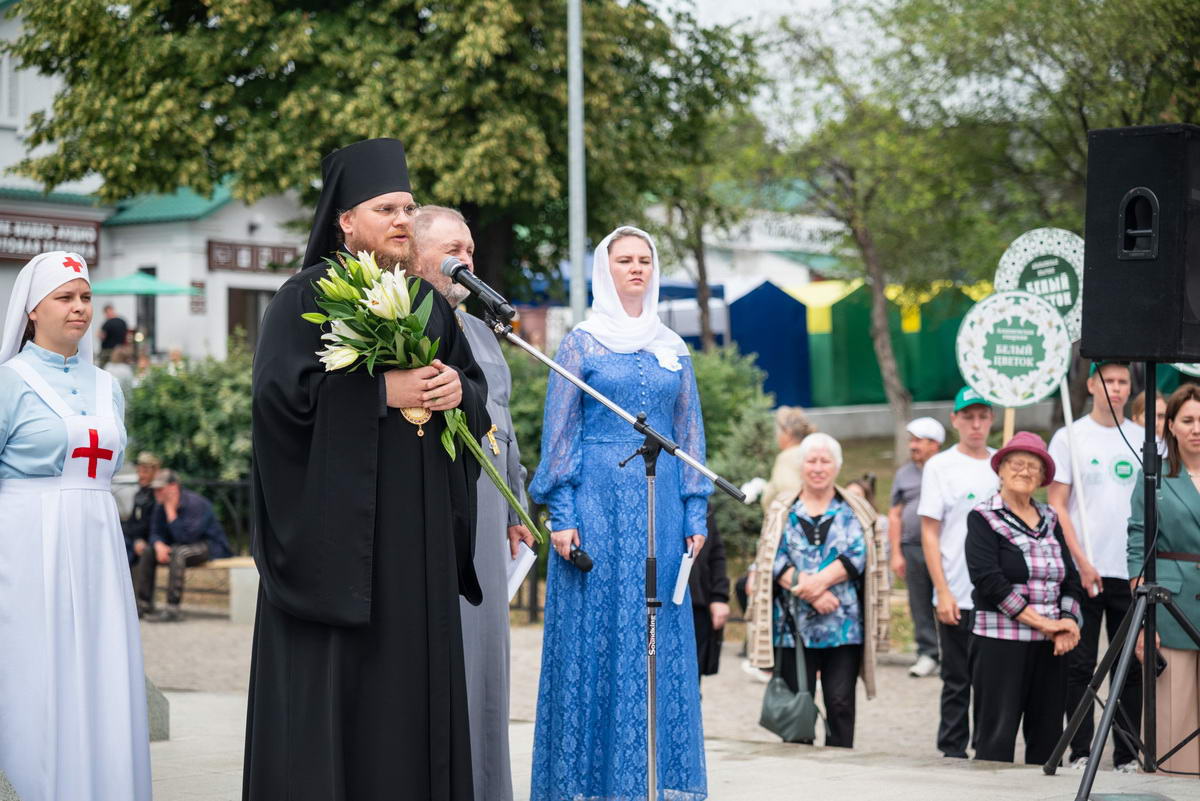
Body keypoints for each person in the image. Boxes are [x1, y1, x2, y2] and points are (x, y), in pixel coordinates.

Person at [243, 138, 490, 801]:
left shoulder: (428, 303)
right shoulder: (303, 299)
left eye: (408, 208)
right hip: (341, 554)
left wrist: (457, 392)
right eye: (387, 209)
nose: (403, 220)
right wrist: (380, 392)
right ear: (346, 220)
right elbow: (278, 407)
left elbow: (471, 388)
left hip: (418, 548)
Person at [529, 225, 709, 800]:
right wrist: (562, 512)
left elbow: (690, 434)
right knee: (598, 637)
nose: (636, 268)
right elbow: (560, 434)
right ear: (603, 270)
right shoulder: (580, 343)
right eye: (624, 259)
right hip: (596, 507)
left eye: (644, 260)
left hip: (662, 505)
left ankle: (653, 783)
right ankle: (588, 785)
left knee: (658, 635)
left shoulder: (672, 346)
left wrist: (696, 511)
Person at [0, 252, 151, 800]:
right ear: (32, 310)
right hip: (25, 546)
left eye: (85, 297)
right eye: (64, 297)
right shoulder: (8, 383)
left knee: (102, 665)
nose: (79, 308)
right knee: (37, 668)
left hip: (97, 543)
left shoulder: (107, 386)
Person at [413, 205, 535, 801]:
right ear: (416, 256)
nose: (466, 260)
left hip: (489, 511)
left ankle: (486, 785)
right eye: (452, 250)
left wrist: (516, 509)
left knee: (487, 658)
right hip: (439, 503)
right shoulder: (406, 320)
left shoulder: (482, 330)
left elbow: (502, 423)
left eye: (470, 250)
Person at [746, 432, 887, 748]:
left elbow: (859, 553)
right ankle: (799, 768)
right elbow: (770, 555)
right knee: (799, 704)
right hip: (793, 627)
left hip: (843, 625)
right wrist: (810, 589)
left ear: (837, 466)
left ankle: (840, 764)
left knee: (841, 702)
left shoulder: (854, 509)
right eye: (812, 461)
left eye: (826, 461)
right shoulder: (783, 509)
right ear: (801, 465)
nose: (818, 467)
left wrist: (816, 584)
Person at [1047, 361, 1143, 772]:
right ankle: (1081, 750)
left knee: (1130, 668)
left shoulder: (1144, 439)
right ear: (1090, 385)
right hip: (1084, 572)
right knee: (1081, 665)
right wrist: (1081, 561)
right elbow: (1057, 503)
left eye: (1123, 382)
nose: (1115, 388)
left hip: (1131, 571)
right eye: (1108, 381)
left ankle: (1127, 754)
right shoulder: (1070, 436)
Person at [966, 431, 1083, 763]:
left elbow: (1070, 580)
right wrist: (1046, 624)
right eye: (1017, 464)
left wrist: (1067, 622)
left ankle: (1044, 791)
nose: (1025, 471)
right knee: (995, 737)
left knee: (1048, 739)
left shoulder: (1051, 518)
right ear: (1001, 470)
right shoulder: (983, 516)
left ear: (1043, 477)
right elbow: (990, 583)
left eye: (1034, 467)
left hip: (1051, 645)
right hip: (1000, 642)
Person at [919, 387, 998, 758]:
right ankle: (951, 749)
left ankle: (987, 747)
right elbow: (929, 532)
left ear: (992, 420)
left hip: (994, 593)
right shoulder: (940, 466)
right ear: (955, 420)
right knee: (956, 677)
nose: (976, 425)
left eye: (982, 417)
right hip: (955, 587)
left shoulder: (1001, 464)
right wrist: (943, 590)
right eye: (968, 417)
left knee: (990, 680)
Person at [1128, 383, 1200, 776]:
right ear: (1170, 425)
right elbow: (1138, 542)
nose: (1196, 429)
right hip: (1171, 604)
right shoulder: (1154, 476)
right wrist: (1143, 619)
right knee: (1174, 713)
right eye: (1187, 420)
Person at [132, 468, 232, 621]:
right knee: (148, 551)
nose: (156, 493)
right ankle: (143, 605)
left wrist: (171, 512)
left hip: (210, 546)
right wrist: (158, 544)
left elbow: (188, 538)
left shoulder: (196, 504)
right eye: (155, 489)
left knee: (179, 552)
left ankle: (172, 609)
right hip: (179, 546)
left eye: (160, 489)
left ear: (173, 487)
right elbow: (155, 532)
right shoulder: (159, 506)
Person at [889, 416, 946, 679]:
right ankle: (928, 653)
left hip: (945, 549)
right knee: (919, 602)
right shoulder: (904, 474)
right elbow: (895, 514)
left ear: (935, 444)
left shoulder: (947, 469)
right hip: (912, 547)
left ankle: (952, 653)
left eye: (918, 441)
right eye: (911, 440)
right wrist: (896, 553)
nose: (913, 446)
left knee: (948, 599)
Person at [691, 510, 731, 679]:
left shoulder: (702, 504)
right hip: (657, 603)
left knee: (693, 676)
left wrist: (719, 596)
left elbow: (716, 553)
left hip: (696, 603)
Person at [760, 405, 815, 511]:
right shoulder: (810, 451)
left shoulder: (787, 458)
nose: (776, 437)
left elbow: (789, 495)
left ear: (787, 433)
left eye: (777, 432)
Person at [121, 450, 161, 568]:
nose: (141, 475)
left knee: (124, 547)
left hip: (149, 540)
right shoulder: (140, 494)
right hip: (136, 538)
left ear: (155, 472)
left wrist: (139, 539)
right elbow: (133, 521)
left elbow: (154, 524)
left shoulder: (158, 494)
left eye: (145, 472)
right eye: (139, 471)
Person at [1131, 390, 1168, 460]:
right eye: (1149, 417)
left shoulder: (1178, 450)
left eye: (1161, 416)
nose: (1156, 423)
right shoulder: (1126, 449)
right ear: (1135, 420)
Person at [97, 303, 128, 367]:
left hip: (108, 351)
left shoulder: (107, 323)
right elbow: (127, 335)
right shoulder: (122, 321)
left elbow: (101, 336)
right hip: (121, 350)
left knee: (104, 368)